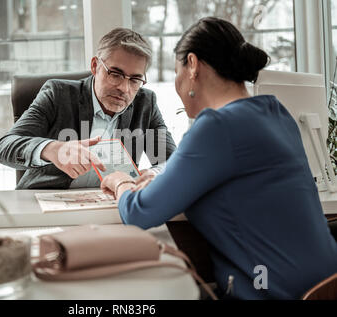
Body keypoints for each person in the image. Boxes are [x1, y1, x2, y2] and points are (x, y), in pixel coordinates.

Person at [100, 17, 337, 300]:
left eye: (177, 72)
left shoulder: (216, 126)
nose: (176, 84)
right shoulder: (276, 111)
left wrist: (120, 182)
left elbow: (138, 213)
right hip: (326, 285)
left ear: (192, 65)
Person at [0, 28, 176, 189]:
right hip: (49, 202)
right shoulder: (58, 94)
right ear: (95, 66)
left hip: (110, 206)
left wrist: (156, 173)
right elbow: (5, 147)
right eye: (115, 74)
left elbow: (173, 161)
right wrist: (53, 149)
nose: (124, 88)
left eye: (135, 79)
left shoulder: (145, 103)